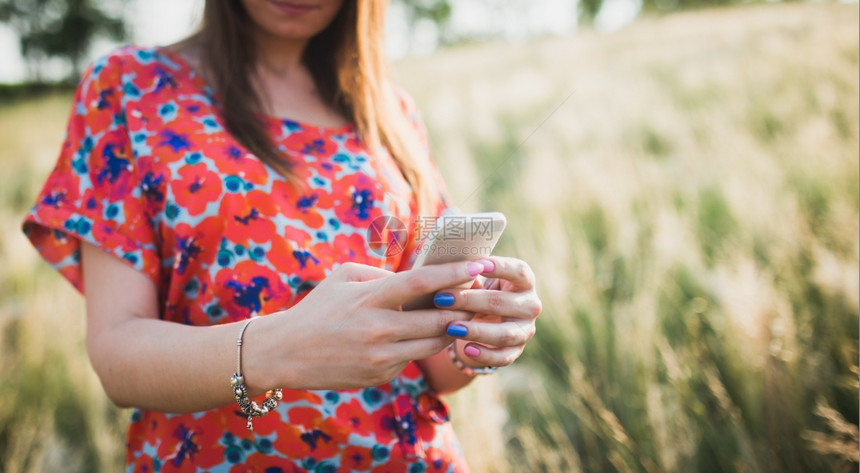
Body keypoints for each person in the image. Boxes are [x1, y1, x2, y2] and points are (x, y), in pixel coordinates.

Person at [22, 0, 542, 471]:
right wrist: (281, 347)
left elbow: (433, 364)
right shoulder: (130, 88)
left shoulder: (389, 109)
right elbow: (118, 353)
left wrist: (474, 334)